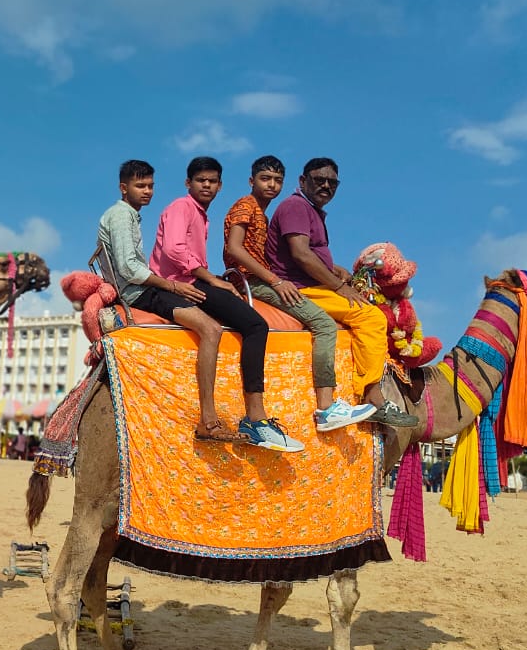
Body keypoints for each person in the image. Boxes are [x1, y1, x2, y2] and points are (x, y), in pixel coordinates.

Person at [149, 157, 303, 452]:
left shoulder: (202, 215)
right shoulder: (181, 207)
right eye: (200, 180)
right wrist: (211, 279)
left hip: (193, 279)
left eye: (211, 181)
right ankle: (255, 418)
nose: (206, 185)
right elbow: (173, 250)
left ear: (220, 185)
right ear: (188, 184)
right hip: (180, 283)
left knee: (229, 314)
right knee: (256, 324)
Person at [223, 155, 377, 433]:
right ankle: (328, 405)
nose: (271, 185)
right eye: (265, 179)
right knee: (325, 325)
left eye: (276, 180)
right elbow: (237, 249)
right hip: (256, 281)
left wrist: (334, 269)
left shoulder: (264, 211)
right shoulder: (249, 206)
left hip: (266, 279)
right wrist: (275, 280)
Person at [263, 158, 417, 429]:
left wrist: (334, 269)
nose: (325, 186)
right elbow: (300, 254)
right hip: (303, 288)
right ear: (302, 181)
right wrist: (339, 287)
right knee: (372, 317)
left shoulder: (309, 210)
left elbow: (308, 254)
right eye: (319, 180)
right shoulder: (296, 206)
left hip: (314, 283)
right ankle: (373, 396)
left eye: (332, 182)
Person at [99, 160, 242, 445]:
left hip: (142, 288)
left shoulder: (129, 216)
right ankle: (208, 419)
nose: (147, 191)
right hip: (139, 292)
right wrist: (173, 285)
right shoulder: (120, 216)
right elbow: (130, 269)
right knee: (211, 329)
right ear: (123, 188)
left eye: (150, 186)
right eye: (140, 186)